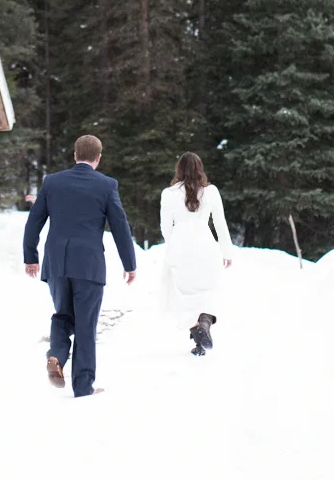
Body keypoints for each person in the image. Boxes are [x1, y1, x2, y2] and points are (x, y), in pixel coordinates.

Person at [23, 134, 137, 397]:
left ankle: (57, 356)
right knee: (85, 324)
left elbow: (34, 222)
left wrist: (31, 257)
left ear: (75, 155)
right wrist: (129, 264)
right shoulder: (107, 185)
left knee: (63, 315)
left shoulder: (52, 182)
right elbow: (120, 227)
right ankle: (83, 386)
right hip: (88, 264)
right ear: (98, 158)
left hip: (57, 262)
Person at [160, 152, 232, 354]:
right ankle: (204, 325)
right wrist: (227, 251)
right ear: (200, 169)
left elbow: (165, 227)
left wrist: (172, 245)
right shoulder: (211, 192)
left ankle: (197, 333)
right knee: (207, 292)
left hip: (180, 246)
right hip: (206, 246)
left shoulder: (168, 193)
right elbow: (220, 223)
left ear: (179, 169)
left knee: (183, 294)